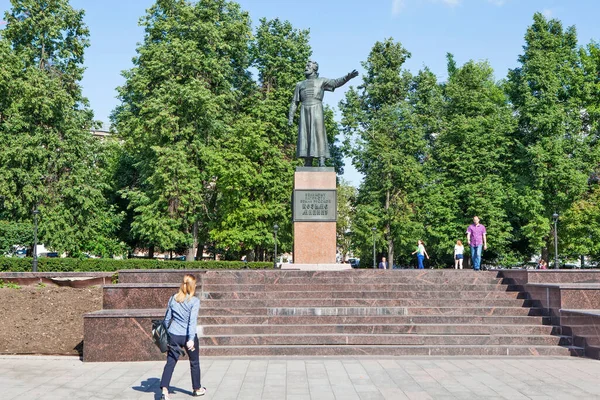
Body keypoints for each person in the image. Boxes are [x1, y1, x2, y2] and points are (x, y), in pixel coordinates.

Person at [288, 61, 358, 167]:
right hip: (304, 110)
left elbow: (335, 82)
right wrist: (291, 117)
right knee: (305, 134)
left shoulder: (321, 81)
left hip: (316, 108)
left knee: (319, 133)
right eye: (306, 66)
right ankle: (308, 161)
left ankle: (321, 160)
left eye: (308, 66)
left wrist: (347, 77)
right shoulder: (300, 84)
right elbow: (294, 102)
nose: (306, 67)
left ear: (314, 69)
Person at [160, 274, 205, 399]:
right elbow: (192, 322)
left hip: (173, 335)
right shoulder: (194, 301)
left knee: (170, 362)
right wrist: (191, 339)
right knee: (194, 362)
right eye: (195, 284)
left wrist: (165, 333)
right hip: (187, 336)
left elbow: (167, 318)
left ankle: (164, 390)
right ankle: (197, 388)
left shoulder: (173, 298)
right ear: (192, 286)